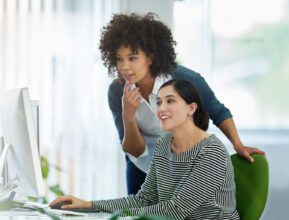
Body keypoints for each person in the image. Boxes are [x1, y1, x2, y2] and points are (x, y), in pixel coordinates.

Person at [99, 12, 265, 194]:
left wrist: (237, 144)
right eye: (119, 58)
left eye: (132, 58)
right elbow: (135, 150)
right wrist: (128, 116)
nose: (124, 66)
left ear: (150, 58)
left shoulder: (186, 80)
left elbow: (219, 112)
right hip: (143, 165)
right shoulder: (117, 92)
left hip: (184, 160)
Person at [50, 79, 240, 219]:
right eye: (159, 102)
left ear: (191, 108)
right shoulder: (164, 144)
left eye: (170, 101)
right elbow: (144, 200)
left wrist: (118, 217)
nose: (161, 109)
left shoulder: (211, 151)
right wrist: (88, 205)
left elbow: (176, 210)